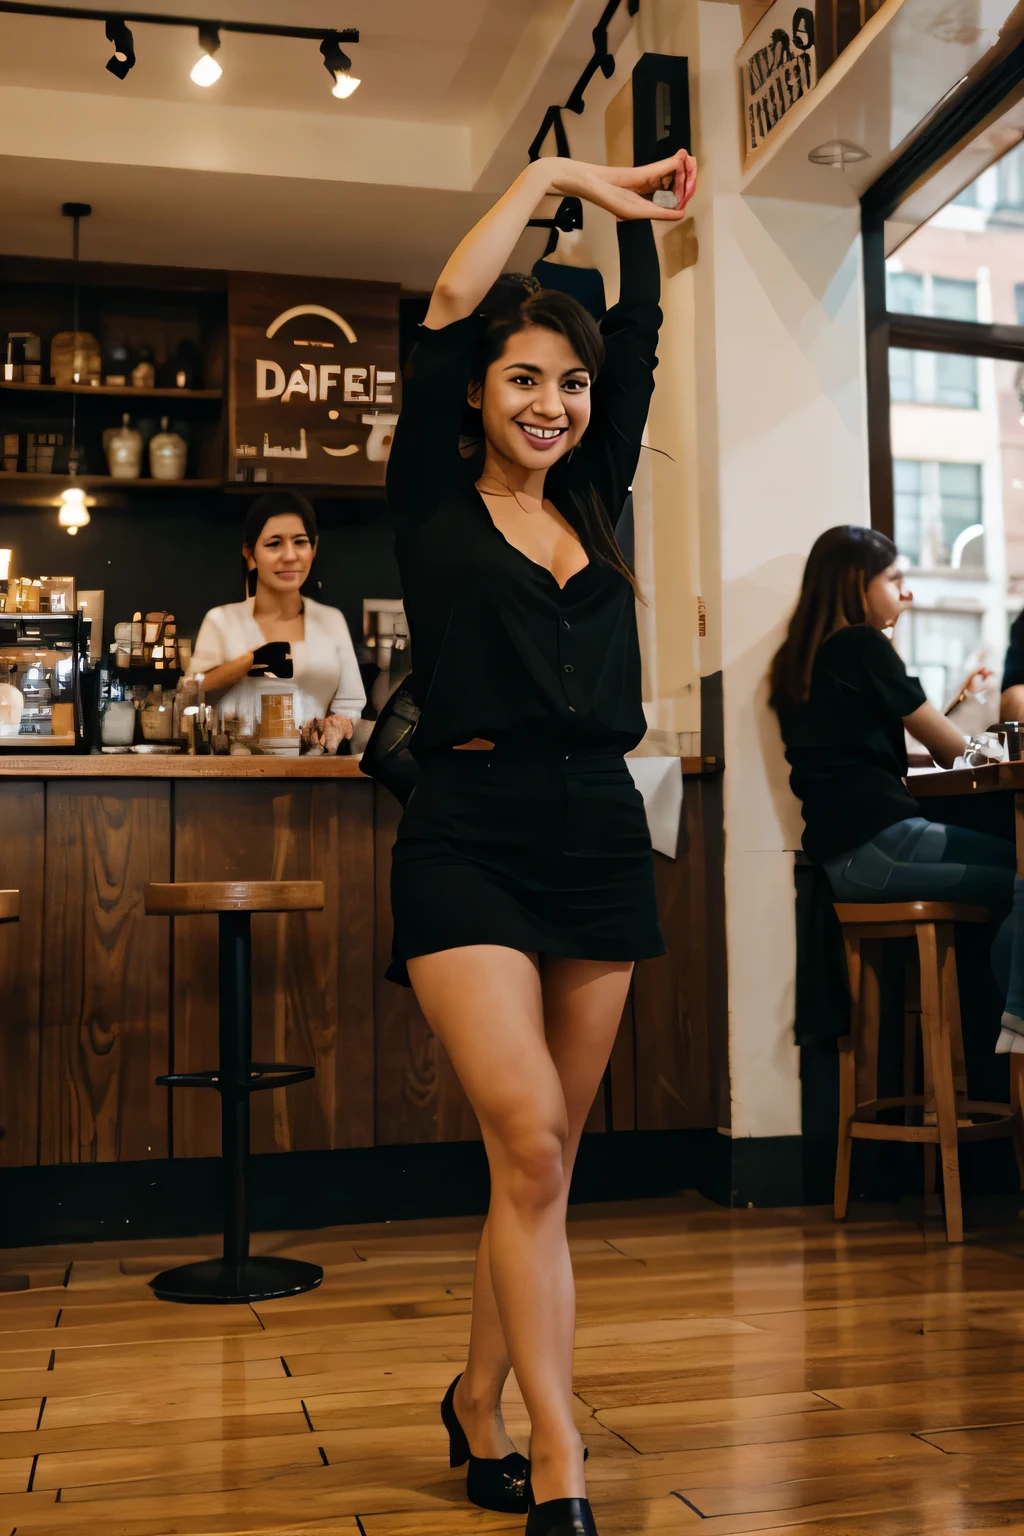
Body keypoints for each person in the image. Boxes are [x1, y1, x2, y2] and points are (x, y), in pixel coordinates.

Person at [384, 148, 697, 1536]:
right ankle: (559, 1457)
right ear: (475, 392)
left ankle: (475, 1397)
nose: (553, 404)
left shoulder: (595, 496)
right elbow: (454, 297)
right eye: (524, 379)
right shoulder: (431, 504)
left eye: (567, 385)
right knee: (524, 1130)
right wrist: (561, 170)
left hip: (594, 829)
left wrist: (639, 229)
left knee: (542, 1160)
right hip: (466, 834)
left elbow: (637, 334)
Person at [770, 524, 1024, 1053]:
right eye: (894, 579)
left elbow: (861, 753)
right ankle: (1011, 1030)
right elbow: (950, 749)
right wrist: (978, 740)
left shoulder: (800, 657)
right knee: (1020, 876)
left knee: (1018, 875)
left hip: (846, 854)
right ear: (855, 583)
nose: (906, 594)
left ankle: (1005, 1030)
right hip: (881, 845)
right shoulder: (862, 644)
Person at [189, 490, 365, 750]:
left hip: (315, 773)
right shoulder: (222, 620)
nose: (290, 555)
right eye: (274, 544)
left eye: (300, 542)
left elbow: (350, 705)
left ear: (313, 548)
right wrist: (250, 660)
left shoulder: (331, 620)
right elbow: (192, 694)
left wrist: (339, 726)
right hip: (234, 772)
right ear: (250, 555)